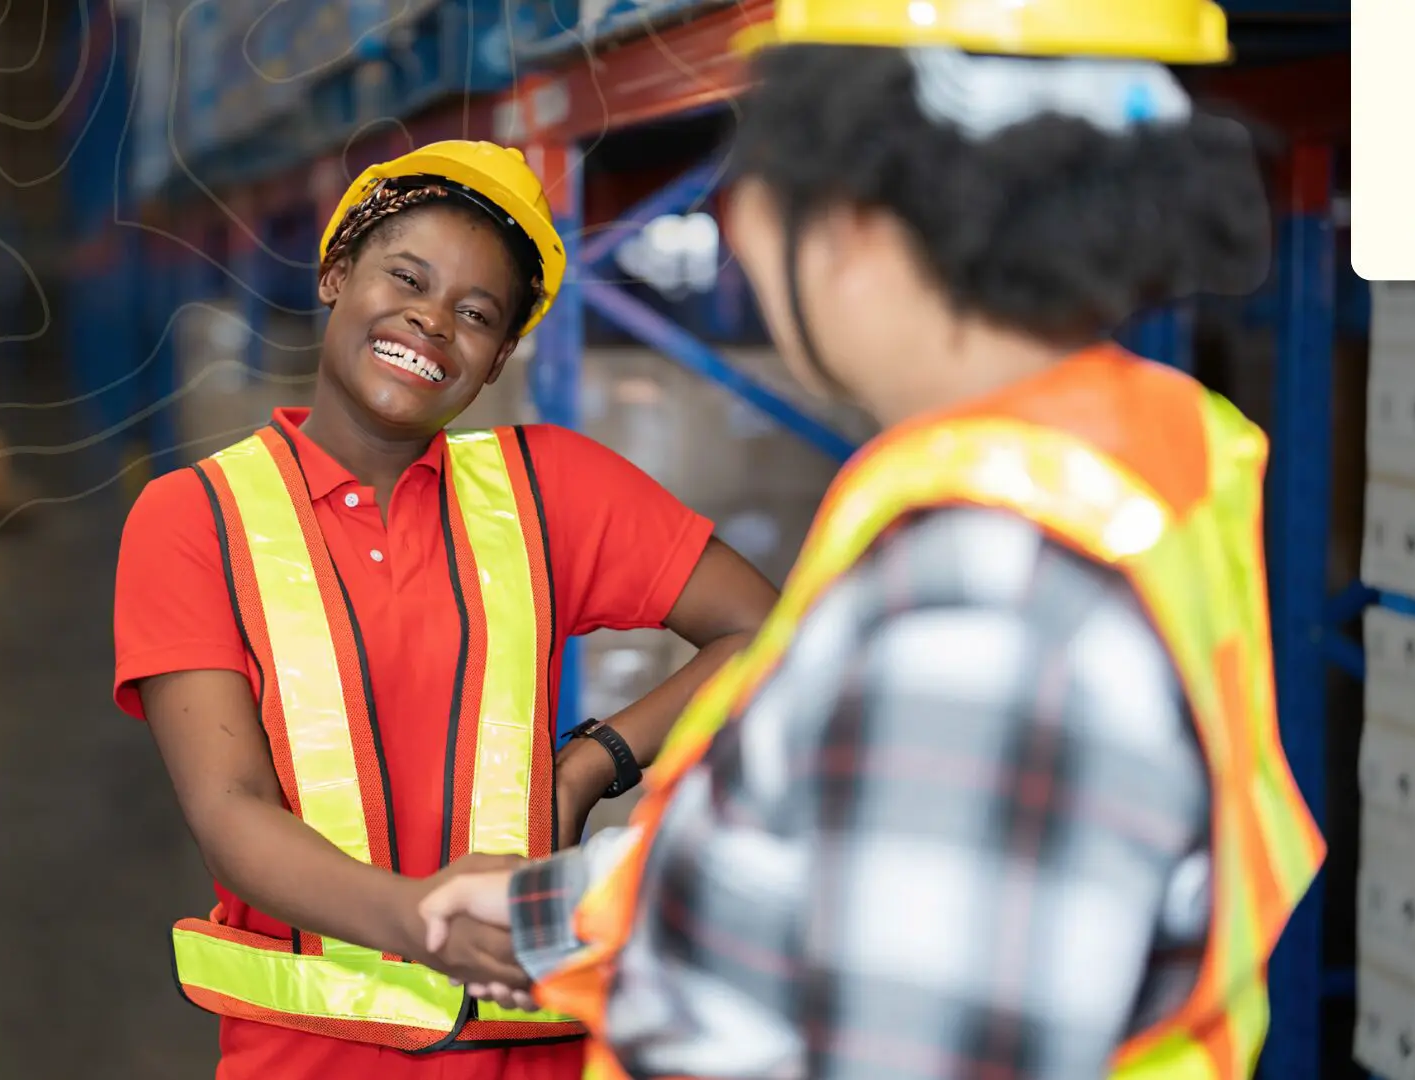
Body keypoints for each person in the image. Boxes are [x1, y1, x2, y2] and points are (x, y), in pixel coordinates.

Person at [414, 2, 1330, 1079]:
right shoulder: (1104, 452)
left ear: (850, 223)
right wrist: (545, 917)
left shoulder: (985, 611)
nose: (745, 240)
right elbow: (847, 867)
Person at [112, 139, 779, 1080]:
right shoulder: (194, 520)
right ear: (337, 274)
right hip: (305, 1061)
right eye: (406, 278)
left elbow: (771, 635)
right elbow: (229, 806)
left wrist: (593, 763)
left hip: (536, 1054)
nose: (430, 323)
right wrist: (425, 921)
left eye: (475, 313)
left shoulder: (551, 489)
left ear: (500, 353)